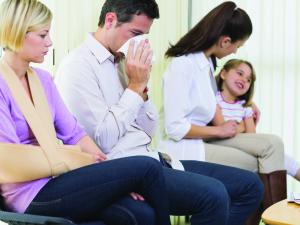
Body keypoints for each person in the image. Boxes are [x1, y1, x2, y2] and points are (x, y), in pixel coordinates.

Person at [55, 1, 264, 224]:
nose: (138, 43)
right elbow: (102, 140)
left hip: (156, 159)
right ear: (110, 21)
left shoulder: (122, 63)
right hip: (128, 168)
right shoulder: (78, 67)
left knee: (250, 186)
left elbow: (147, 130)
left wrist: (141, 88)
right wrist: (134, 88)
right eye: (135, 33)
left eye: (144, 36)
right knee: (214, 195)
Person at [0, 1, 172, 225]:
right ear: (17, 33)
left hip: (57, 179)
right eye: (43, 35)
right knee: (146, 167)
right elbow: (12, 160)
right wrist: (78, 162)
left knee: (140, 214)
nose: (50, 42)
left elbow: (74, 134)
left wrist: (114, 178)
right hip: (29, 195)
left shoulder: (43, 80)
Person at [162, 2, 286, 224]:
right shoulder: (183, 65)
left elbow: (214, 102)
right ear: (225, 40)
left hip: (207, 137)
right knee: (253, 168)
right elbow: (175, 128)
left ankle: (283, 220)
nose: (235, 51)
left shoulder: (207, 64)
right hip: (185, 145)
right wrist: (218, 130)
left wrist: (249, 104)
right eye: (237, 46)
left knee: (274, 144)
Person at [215, 59, 300, 182]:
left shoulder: (246, 107)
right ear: (223, 74)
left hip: (242, 145)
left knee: (283, 158)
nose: (244, 80)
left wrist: (241, 127)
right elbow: (222, 127)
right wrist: (243, 126)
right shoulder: (214, 99)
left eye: (249, 79)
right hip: (224, 142)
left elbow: (252, 138)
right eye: (240, 73)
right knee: (277, 156)